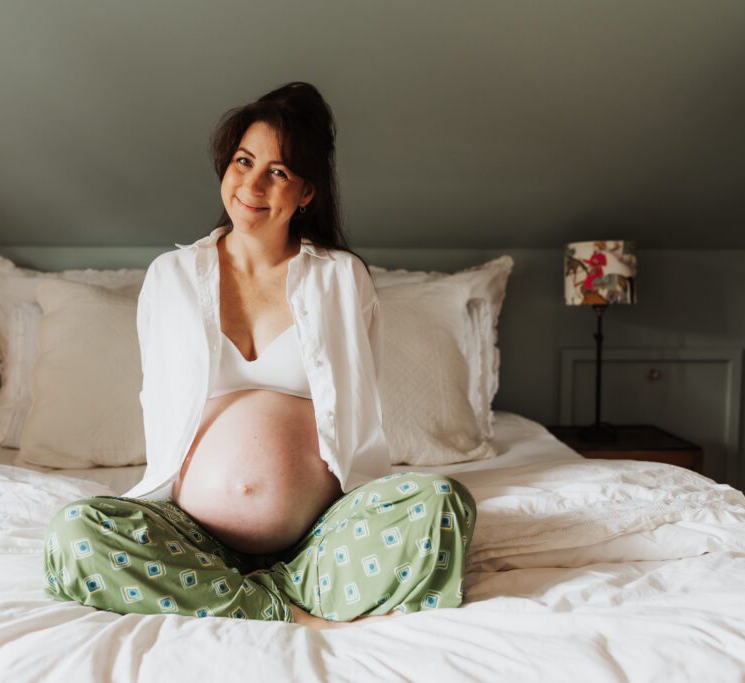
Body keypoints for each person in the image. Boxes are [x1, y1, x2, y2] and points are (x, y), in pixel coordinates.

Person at [44, 82, 476, 628]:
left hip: (322, 531)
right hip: (189, 533)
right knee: (75, 531)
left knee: (441, 503)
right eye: (243, 161)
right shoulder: (169, 278)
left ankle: (231, 596)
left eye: (277, 171)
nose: (251, 184)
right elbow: (159, 400)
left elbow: (360, 403)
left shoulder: (342, 279)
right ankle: (283, 607)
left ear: (307, 193)